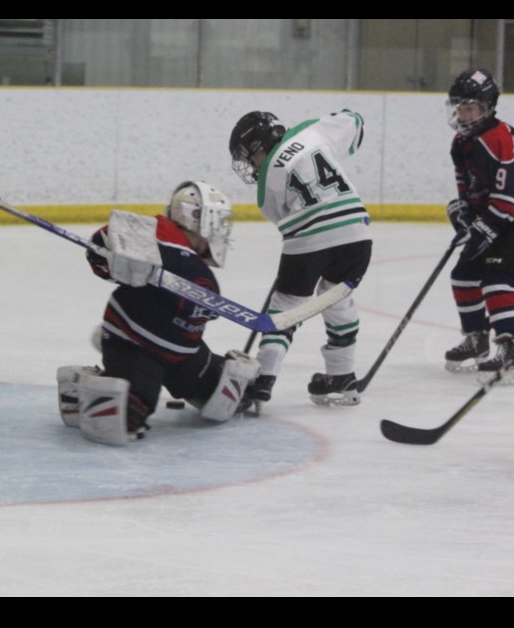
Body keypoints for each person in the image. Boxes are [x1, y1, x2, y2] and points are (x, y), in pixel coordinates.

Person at [56, 181, 260, 446]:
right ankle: (78, 388)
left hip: (187, 356)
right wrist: (112, 254)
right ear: (198, 217)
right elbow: (100, 245)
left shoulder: (192, 263)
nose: (222, 232)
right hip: (137, 347)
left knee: (226, 399)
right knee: (127, 416)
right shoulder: (159, 234)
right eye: (219, 222)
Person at [228, 110, 371, 406]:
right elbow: (354, 121)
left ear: (259, 146)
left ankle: (263, 379)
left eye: (248, 157)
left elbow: (286, 221)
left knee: (286, 308)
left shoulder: (267, 180)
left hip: (309, 238)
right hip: (357, 234)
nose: (250, 166)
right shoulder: (312, 131)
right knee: (336, 297)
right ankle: (341, 374)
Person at [442, 68, 514, 385]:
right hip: (493, 217)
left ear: (488, 106)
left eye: (469, 107)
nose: (462, 114)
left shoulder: (503, 136)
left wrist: (486, 226)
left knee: (496, 278)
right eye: (458, 107)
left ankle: (511, 348)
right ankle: (477, 338)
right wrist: (464, 213)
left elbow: (510, 191)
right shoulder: (460, 142)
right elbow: (468, 186)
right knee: (463, 276)